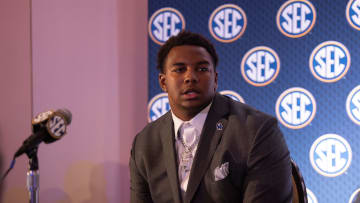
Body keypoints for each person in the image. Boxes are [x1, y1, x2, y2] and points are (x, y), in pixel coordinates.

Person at [129, 31, 292, 203]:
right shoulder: (145, 143)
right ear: (163, 82)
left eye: (202, 69)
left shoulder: (256, 131)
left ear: (215, 79)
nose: (190, 77)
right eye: (179, 69)